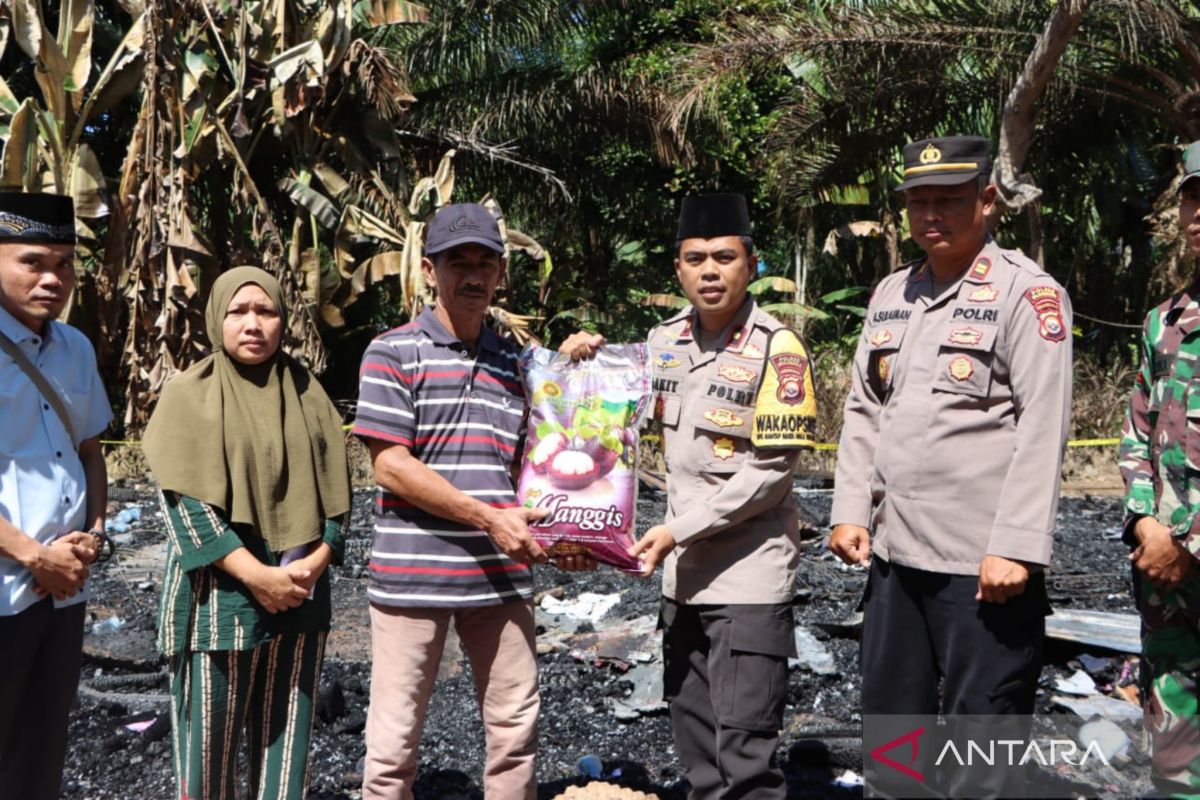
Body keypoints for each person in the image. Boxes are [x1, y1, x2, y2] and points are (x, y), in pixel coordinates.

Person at [828, 136, 1072, 794]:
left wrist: (1017, 548)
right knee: (895, 737)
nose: (930, 214)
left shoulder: (1028, 295)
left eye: (948, 200)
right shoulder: (890, 294)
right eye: (918, 201)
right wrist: (850, 508)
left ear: (987, 201)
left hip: (983, 568)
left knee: (980, 750)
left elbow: (1043, 427)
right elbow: (863, 409)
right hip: (896, 558)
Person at [561, 192, 817, 799]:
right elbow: (612, 422)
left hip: (749, 581)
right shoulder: (660, 342)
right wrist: (583, 364)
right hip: (682, 583)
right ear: (677, 268)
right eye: (694, 258)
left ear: (750, 265)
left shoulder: (779, 351)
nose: (709, 270)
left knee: (746, 756)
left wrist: (676, 530)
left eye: (724, 257)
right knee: (697, 750)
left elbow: (770, 475)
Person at [356, 202, 592, 800]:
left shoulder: (519, 363)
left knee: (515, 732)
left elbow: (549, 453)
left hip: (501, 578)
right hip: (414, 578)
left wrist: (581, 369)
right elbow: (391, 466)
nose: (471, 274)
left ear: (500, 273)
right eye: (456, 260)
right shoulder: (392, 352)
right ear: (429, 269)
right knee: (392, 748)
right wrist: (490, 519)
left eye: (484, 262)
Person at [143, 266, 351, 800]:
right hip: (218, 605)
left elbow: (337, 495)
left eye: (266, 311)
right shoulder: (190, 395)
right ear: (218, 319)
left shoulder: (307, 394)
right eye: (238, 311)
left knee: (286, 752)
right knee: (206, 758)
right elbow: (186, 509)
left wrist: (317, 560)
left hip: (300, 597)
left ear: (284, 320)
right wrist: (259, 577)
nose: (252, 324)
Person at [0, 191, 111, 800]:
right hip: (7, 589)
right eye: (33, 262)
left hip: (65, 590)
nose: (53, 279)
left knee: (43, 747)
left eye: (65, 264)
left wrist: (92, 537)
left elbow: (91, 451)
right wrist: (34, 555)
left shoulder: (75, 348)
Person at [1120, 139, 1200, 798]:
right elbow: (1138, 436)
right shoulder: (1164, 323)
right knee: (1174, 763)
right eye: (1193, 197)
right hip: (1167, 585)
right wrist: (1148, 524)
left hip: (1186, 556)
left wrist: (1191, 544)